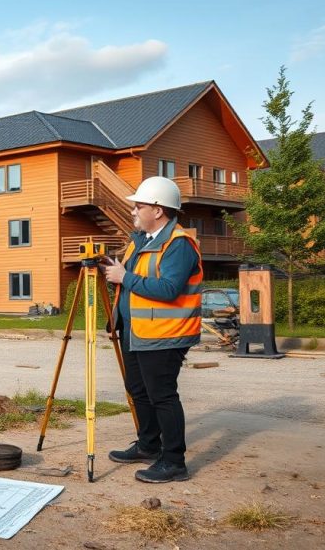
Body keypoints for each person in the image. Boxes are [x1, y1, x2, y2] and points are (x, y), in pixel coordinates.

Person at [100, 176, 203, 483]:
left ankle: (173, 461)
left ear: (158, 210)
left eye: (138, 205)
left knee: (163, 396)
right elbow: (131, 282)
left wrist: (123, 277)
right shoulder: (140, 241)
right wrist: (116, 316)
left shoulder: (179, 245)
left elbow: (169, 289)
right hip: (137, 331)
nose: (133, 211)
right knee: (138, 390)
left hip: (166, 334)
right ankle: (148, 445)